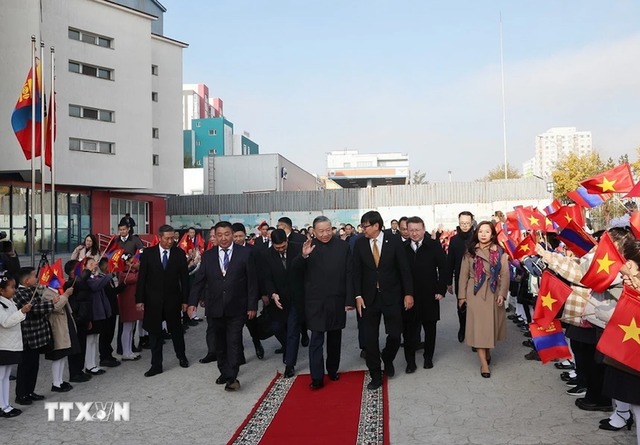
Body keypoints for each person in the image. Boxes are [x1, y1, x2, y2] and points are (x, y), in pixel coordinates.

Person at [188, 221, 259, 392]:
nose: (224, 238)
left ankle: (232, 377)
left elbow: (252, 282)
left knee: (233, 341)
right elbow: (199, 282)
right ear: (215, 237)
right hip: (215, 307)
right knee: (219, 344)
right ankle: (224, 371)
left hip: (238, 307)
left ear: (232, 234)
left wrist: (252, 305)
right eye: (219, 235)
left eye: (227, 234)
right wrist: (192, 303)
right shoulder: (209, 255)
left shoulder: (245, 254)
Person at [353, 210, 413, 390]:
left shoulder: (393, 241)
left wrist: (408, 293)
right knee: (370, 339)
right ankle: (376, 375)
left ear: (376, 226)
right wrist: (357, 296)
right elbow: (355, 272)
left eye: (366, 226)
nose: (363, 229)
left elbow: (404, 269)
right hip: (368, 299)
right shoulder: (359, 244)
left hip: (391, 296)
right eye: (362, 226)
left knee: (395, 334)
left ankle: (387, 357)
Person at [296, 216, 352, 389]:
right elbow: (294, 272)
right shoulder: (306, 247)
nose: (326, 234)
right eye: (321, 231)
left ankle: (333, 370)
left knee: (335, 338)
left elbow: (350, 274)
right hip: (315, 302)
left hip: (337, 300)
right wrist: (303, 257)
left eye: (328, 230)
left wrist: (349, 299)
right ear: (313, 231)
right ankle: (317, 377)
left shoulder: (343, 246)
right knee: (316, 340)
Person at [135, 224, 190, 377]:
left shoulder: (179, 254)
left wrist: (185, 300)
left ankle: (182, 357)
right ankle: (156, 365)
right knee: (154, 333)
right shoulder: (148, 254)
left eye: (172, 238)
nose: (170, 241)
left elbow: (184, 280)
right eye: (167, 238)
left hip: (173, 299)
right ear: (159, 238)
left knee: (177, 331)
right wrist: (139, 299)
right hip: (153, 300)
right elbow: (142, 278)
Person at [457, 221, 509, 378]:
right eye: (481, 232)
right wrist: (462, 296)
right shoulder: (470, 253)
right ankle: (484, 364)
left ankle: (486, 353)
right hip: (475, 293)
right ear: (476, 234)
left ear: (492, 234)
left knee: (489, 328)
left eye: (487, 232)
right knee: (479, 329)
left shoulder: (500, 252)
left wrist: (502, 294)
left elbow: (505, 275)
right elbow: (463, 276)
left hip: (493, 291)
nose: (483, 234)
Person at [403, 216, 448, 372]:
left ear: (423, 229)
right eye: (411, 230)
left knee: (430, 328)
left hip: (430, 294)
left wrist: (440, 289)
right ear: (407, 230)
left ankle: (428, 357)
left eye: (417, 230)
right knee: (408, 330)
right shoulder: (402, 248)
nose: (414, 233)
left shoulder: (434, 245)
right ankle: (410, 362)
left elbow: (444, 268)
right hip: (409, 296)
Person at [262, 229, 304, 378]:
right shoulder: (266, 255)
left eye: (283, 246)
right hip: (278, 297)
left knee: (293, 329)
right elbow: (266, 277)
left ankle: (289, 364)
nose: (280, 249)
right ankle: (288, 347)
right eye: (277, 247)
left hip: (296, 296)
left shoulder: (299, 248)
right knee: (276, 326)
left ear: (287, 241)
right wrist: (272, 294)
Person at [13, 267, 56, 405]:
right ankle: (21, 395)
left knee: (34, 365)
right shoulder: (20, 293)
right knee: (25, 366)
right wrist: (52, 304)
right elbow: (34, 309)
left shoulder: (32, 290)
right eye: (33, 276)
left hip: (37, 334)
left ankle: (30, 391)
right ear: (26, 280)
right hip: (29, 336)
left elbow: (38, 304)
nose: (36, 279)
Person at [0, 273, 31, 418]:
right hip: (3, 346)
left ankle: (6, 404)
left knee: (6, 376)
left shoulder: (10, 301)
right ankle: (2, 406)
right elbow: (6, 322)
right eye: (11, 287)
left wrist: (20, 312)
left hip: (10, 345)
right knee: (1, 377)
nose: (15, 290)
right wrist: (21, 312)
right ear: (1, 290)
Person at [447, 211, 476, 343]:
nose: (464, 226)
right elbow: (450, 261)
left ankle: (474, 333)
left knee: (475, 307)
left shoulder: (477, 238)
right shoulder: (454, 240)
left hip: (475, 279)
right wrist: (448, 282)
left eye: (467, 223)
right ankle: (462, 328)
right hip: (460, 278)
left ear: (472, 223)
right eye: (462, 223)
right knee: (461, 306)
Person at [118, 261, 143, 361]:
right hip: (127, 303)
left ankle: (129, 351)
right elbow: (136, 278)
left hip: (132, 302)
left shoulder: (132, 272)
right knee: (127, 328)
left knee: (131, 328)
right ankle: (125, 352)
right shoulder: (124, 274)